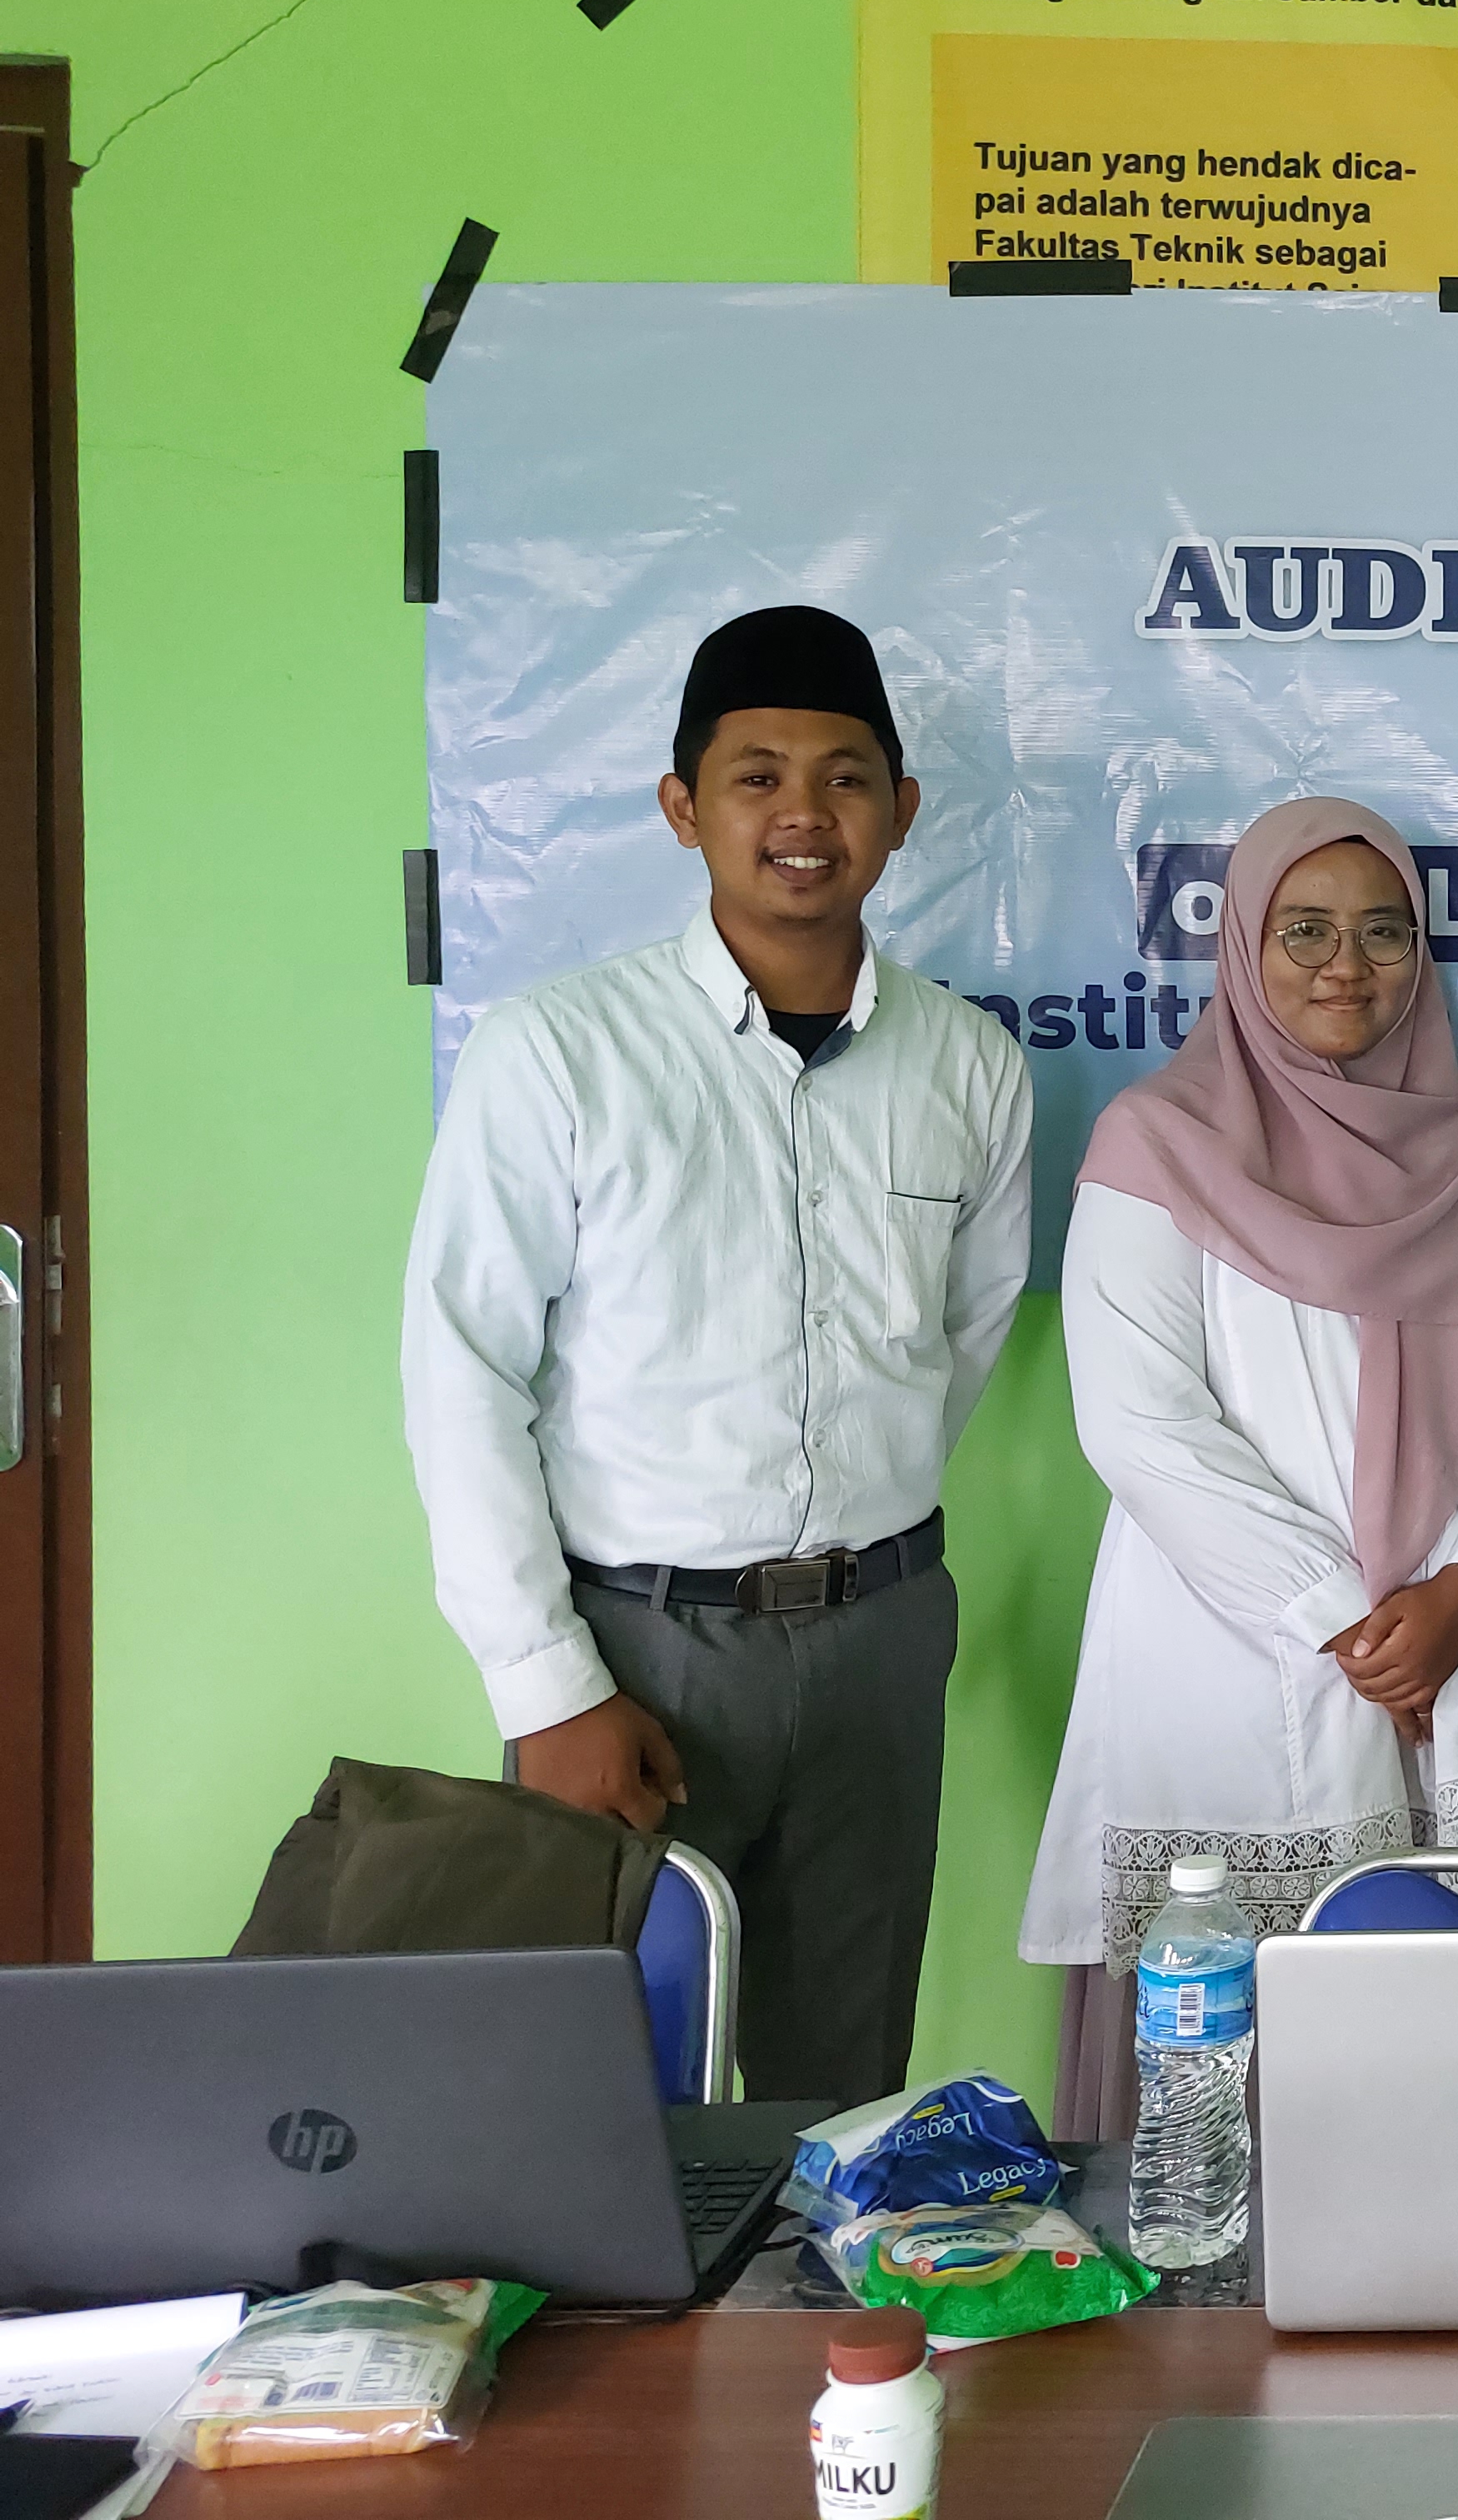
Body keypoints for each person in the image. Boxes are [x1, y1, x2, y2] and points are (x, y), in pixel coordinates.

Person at [403, 605, 1031, 2104]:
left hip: (879, 1639)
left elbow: (962, 1335)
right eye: (757, 777)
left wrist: (849, 1544)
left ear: (902, 810)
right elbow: (462, 1370)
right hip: (640, 1650)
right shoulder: (560, 1051)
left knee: (843, 2090)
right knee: (605, 2095)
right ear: (684, 807)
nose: (803, 814)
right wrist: (548, 1687)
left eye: (845, 777)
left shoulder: (970, 1065)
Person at [1022, 800, 1458, 2138]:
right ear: (1244, 948)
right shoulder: (1157, 1143)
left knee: (1456, 2083)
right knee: (1221, 2068)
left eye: (1384, 933)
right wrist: (1346, 1617)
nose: (1347, 966)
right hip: (1234, 1657)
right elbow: (1141, 1423)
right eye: (1305, 931)